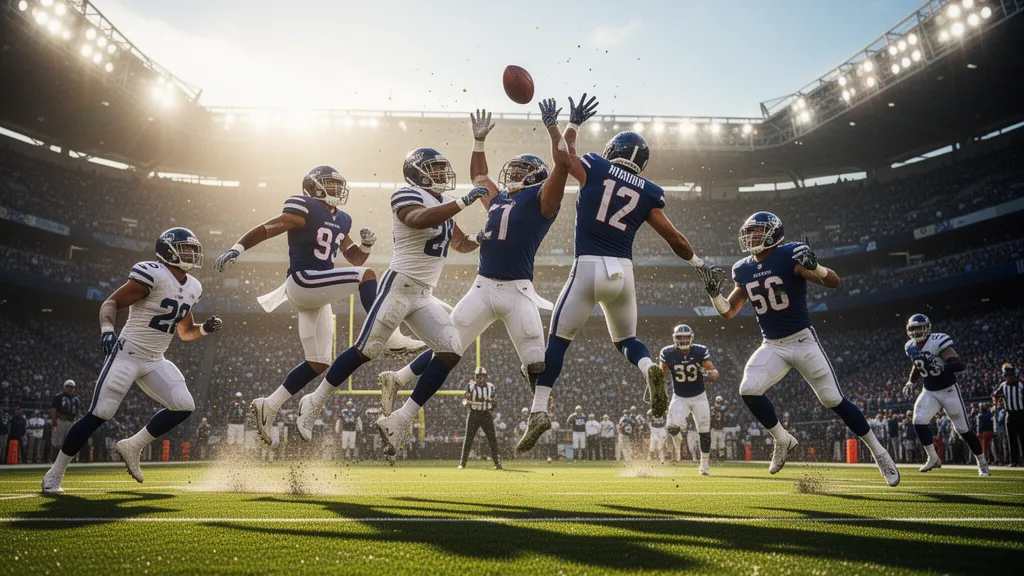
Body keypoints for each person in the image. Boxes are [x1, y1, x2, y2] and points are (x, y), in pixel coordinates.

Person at [518, 120, 724, 453]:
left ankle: (539, 410)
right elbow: (675, 239)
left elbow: (563, 160)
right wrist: (699, 264)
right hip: (623, 274)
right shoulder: (648, 190)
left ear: (612, 151)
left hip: (586, 266)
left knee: (558, 340)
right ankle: (649, 368)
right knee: (627, 340)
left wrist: (563, 126)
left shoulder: (595, 166)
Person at [377, 103, 572, 417]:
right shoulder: (499, 198)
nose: (515, 173)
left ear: (537, 177)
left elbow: (562, 166)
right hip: (483, 286)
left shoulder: (542, 200)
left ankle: (539, 413)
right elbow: (480, 175)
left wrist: (556, 127)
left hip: (518, 288)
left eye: (523, 170)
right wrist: (478, 142)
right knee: (449, 343)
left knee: (536, 362)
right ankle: (398, 380)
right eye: (515, 168)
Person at [292, 147, 485, 455]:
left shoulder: (446, 202)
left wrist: (479, 238)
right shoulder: (405, 194)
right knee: (366, 350)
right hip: (398, 287)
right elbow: (418, 219)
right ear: (415, 172)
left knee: (451, 349)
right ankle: (313, 402)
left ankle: (400, 419)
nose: (439, 173)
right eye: (432, 168)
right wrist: (462, 203)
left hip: (424, 295)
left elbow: (459, 243)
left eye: (440, 167)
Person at [216, 165, 422, 445]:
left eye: (338, 184)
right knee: (367, 276)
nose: (337, 189)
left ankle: (270, 405)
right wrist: (237, 247)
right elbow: (269, 228)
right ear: (313, 186)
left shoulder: (344, 218)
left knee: (319, 361)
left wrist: (365, 246)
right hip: (303, 280)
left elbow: (354, 258)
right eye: (330, 184)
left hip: (316, 289)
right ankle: (388, 336)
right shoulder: (305, 206)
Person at [702, 212, 899, 486]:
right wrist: (714, 295)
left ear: (773, 233)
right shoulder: (743, 268)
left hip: (802, 340)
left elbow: (833, 282)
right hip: (771, 344)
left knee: (832, 400)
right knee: (748, 389)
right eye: (748, 232)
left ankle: (880, 453)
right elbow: (729, 311)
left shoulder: (790, 254)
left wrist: (816, 268)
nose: (750, 237)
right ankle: (782, 439)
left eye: (757, 232)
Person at [42, 228, 223, 493]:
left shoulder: (194, 286)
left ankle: (133, 445)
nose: (192, 254)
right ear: (168, 250)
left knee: (184, 405)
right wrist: (107, 330)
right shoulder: (153, 273)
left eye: (193, 249)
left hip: (155, 359)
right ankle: (55, 473)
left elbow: (185, 331)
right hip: (127, 353)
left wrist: (204, 329)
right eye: (186, 248)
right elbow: (110, 303)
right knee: (100, 413)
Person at [902, 314, 989, 476]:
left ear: (927, 327)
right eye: (913, 328)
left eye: (920, 327)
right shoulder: (910, 347)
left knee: (963, 429)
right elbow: (917, 364)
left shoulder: (937, 341)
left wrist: (945, 368)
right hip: (929, 390)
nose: (916, 331)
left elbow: (959, 364)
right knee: (918, 420)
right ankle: (933, 458)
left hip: (948, 390)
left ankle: (982, 463)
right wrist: (910, 382)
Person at [661, 324, 720, 475]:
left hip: (699, 397)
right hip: (680, 397)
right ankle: (678, 442)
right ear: (675, 338)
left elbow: (712, 370)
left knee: (704, 432)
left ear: (691, 337)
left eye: (686, 337)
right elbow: (661, 375)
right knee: (671, 427)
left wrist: (713, 374)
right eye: (680, 337)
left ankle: (704, 466)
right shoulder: (667, 353)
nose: (683, 340)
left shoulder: (700, 351)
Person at [459, 367, 500, 469]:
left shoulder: (491, 387)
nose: (480, 379)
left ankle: (497, 463)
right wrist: (466, 403)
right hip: (474, 415)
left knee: (492, 439)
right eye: (478, 376)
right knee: (468, 439)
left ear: (485, 377)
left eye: (482, 376)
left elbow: (495, 401)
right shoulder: (471, 386)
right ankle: (462, 463)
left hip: (486, 415)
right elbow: (464, 399)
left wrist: (491, 401)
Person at [993, 362, 1023, 466]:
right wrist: (996, 398)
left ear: (1015, 375)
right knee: (1011, 439)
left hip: (1021, 414)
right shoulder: (1003, 385)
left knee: (1022, 438)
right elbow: (995, 394)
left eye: (1010, 375)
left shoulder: (1020, 385)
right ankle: (1014, 461)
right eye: (1007, 375)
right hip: (1009, 415)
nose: (1008, 378)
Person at [50, 380, 80, 460]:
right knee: (58, 442)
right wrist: (54, 422)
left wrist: (77, 422)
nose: (70, 389)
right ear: (64, 387)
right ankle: (55, 460)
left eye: (72, 387)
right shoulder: (58, 397)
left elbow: (78, 412)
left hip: (72, 421)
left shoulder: (76, 399)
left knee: (70, 442)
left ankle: (68, 460)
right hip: (61, 420)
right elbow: (54, 410)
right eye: (68, 387)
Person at [710, 396, 727, 460]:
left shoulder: (720, 408)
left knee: (721, 443)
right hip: (715, 428)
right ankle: (714, 456)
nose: (719, 402)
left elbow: (722, 411)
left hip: (720, 428)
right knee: (714, 443)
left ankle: (721, 456)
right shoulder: (713, 408)